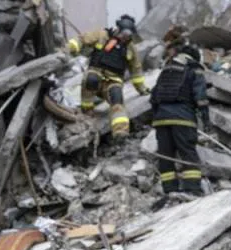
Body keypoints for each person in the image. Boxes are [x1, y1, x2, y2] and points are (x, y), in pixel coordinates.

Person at [66, 14, 149, 140]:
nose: (126, 37)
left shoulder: (130, 48)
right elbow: (82, 39)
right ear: (119, 29)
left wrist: (142, 89)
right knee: (91, 79)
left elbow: (136, 70)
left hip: (113, 81)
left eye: (129, 35)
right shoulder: (102, 35)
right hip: (96, 73)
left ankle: (120, 132)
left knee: (117, 97)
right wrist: (70, 48)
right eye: (124, 33)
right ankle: (87, 111)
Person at [149, 43, 210, 196]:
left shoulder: (167, 70)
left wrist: (158, 116)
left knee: (166, 156)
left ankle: (170, 191)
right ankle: (192, 189)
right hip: (183, 119)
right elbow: (201, 98)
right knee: (188, 152)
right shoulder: (194, 69)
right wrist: (206, 121)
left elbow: (154, 97)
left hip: (161, 120)